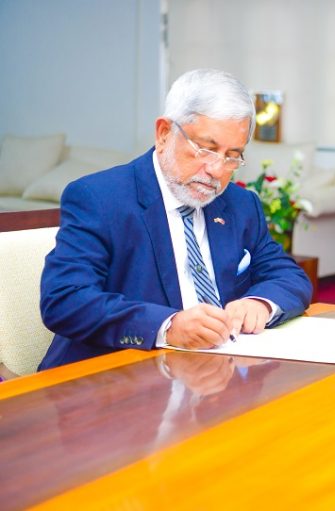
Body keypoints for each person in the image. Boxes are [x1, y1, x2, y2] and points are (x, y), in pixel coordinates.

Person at [38, 69, 312, 369]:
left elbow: (288, 276)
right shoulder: (99, 198)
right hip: (114, 375)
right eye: (206, 149)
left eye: (232, 156)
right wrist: (167, 327)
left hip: (216, 373)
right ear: (164, 133)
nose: (217, 170)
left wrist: (259, 302)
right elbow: (65, 300)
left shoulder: (241, 204)